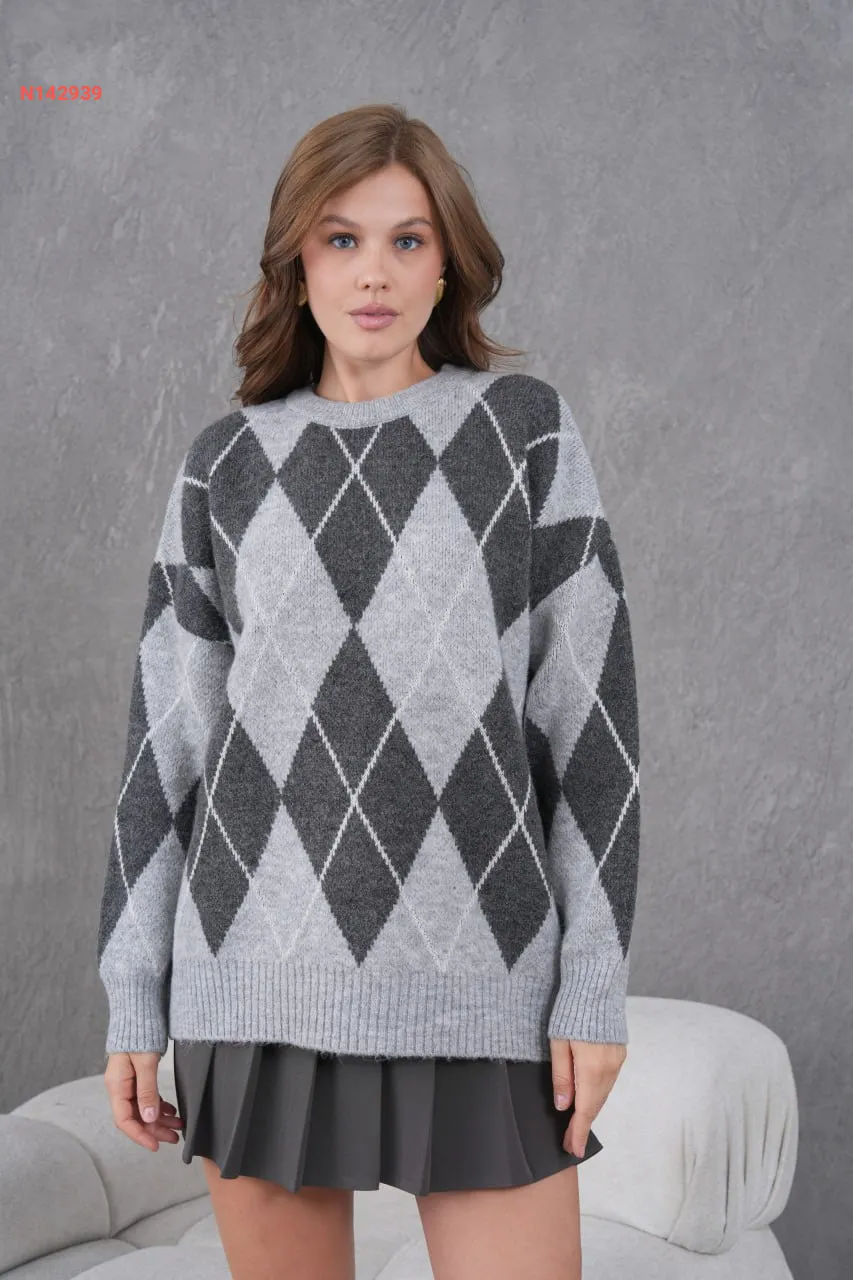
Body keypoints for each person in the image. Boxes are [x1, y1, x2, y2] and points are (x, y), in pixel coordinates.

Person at [97, 102, 640, 1280]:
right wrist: (133, 994)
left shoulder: (524, 435)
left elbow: (591, 734)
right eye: (341, 239)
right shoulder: (224, 463)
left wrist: (593, 986)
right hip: (253, 977)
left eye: (407, 239)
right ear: (296, 262)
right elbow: (166, 750)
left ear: (449, 262)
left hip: (480, 975)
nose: (374, 273)